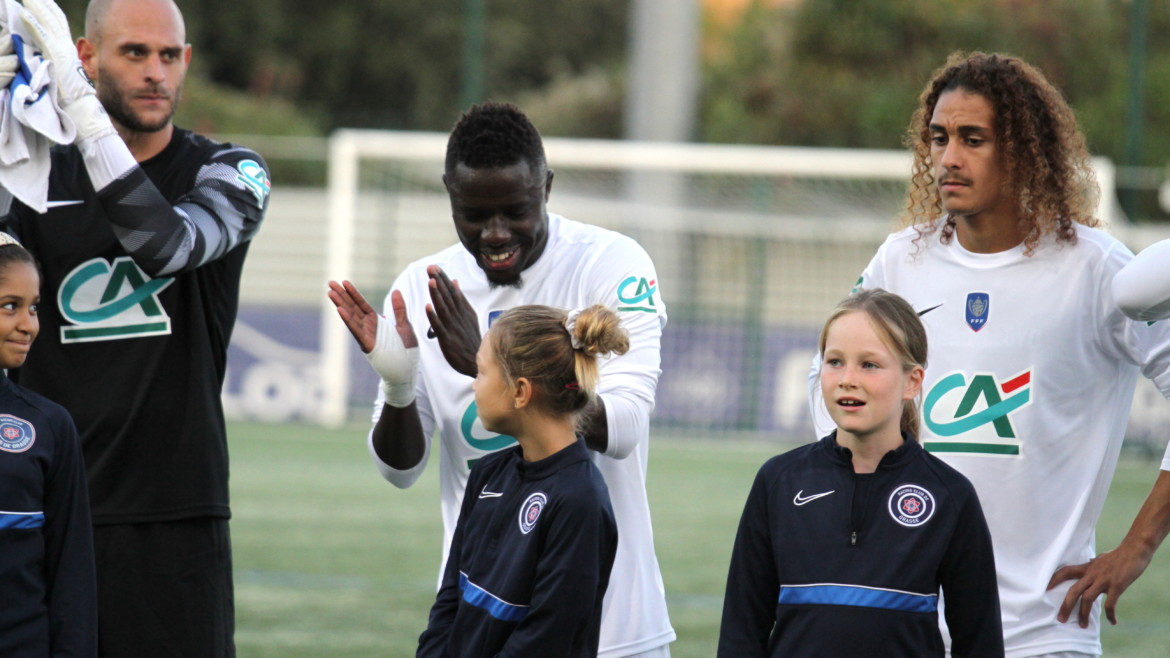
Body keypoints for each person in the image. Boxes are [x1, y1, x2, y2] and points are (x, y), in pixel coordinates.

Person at [809, 51, 1170, 656]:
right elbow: (830, 392)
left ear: (1024, 151)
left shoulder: (1096, 269)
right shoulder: (901, 260)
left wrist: (1138, 546)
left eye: (973, 139)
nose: (949, 158)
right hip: (909, 619)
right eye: (940, 138)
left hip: (1043, 632)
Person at [328, 101, 675, 657]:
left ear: (546, 188)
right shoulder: (422, 286)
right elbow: (399, 470)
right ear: (449, 195)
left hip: (612, 626)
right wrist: (398, 386)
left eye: (514, 210)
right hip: (479, 619)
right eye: (473, 214)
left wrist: (494, 367)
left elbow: (626, 425)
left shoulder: (611, 263)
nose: (494, 233)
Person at [0, 0, 270, 654]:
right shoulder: (31, 173)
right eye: (134, 53)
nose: (156, 72)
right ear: (86, 57)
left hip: (176, 518)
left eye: (169, 55)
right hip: (46, 508)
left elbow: (166, 244)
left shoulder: (231, 171)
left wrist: (81, 114)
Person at [724, 289, 1002, 657]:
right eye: (834, 361)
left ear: (912, 381)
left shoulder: (950, 495)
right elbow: (742, 630)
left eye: (869, 365)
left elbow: (979, 641)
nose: (847, 379)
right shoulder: (779, 480)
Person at [418, 304, 621, 657]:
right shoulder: (487, 475)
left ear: (520, 391)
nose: (473, 384)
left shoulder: (579, 500)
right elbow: (450, 598)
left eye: (481, 372)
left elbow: (547, 638)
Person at [0, 234, 98, 657]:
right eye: (10, 306)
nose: (29, 324)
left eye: (34, 306)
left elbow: (71, 571)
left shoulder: (47, 424)